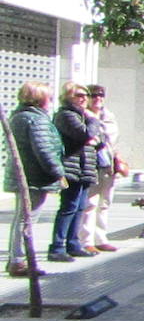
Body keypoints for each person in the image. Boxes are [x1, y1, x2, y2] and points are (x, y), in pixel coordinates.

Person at [5, 81, 64, 277]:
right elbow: (43, 149)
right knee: (27, 219)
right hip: (34, 177)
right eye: (49, 96)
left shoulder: (19, 116)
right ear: (40, 99)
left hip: (27, 175)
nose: (51, 100)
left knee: (22, 217)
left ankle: (16, 258)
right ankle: (19, 260)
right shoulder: (35, 120)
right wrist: (58, 172)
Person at [49, 82, 98, 262]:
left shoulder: (81, 116)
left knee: (80, 207)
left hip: (84, 167)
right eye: (79, 95)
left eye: (86, 95)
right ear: (67, 96)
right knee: (69, 207)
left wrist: (92, 134)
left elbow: (97, 140)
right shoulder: (66, 115)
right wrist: (93, 121)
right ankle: (57, 246)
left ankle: (73, 243)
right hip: (71, 167)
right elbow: (85, 135)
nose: (84, 98)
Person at [78, 84, 122, 254]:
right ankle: (86, 240)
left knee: (105, 202)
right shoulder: (84, 116)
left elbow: (114, 142)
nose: (98, 98)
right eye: (94, 95)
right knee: (90, 203)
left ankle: (101, 238)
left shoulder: (109, 116)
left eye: (101, 95)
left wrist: (117, 159)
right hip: (91, 163)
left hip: (108, 164)